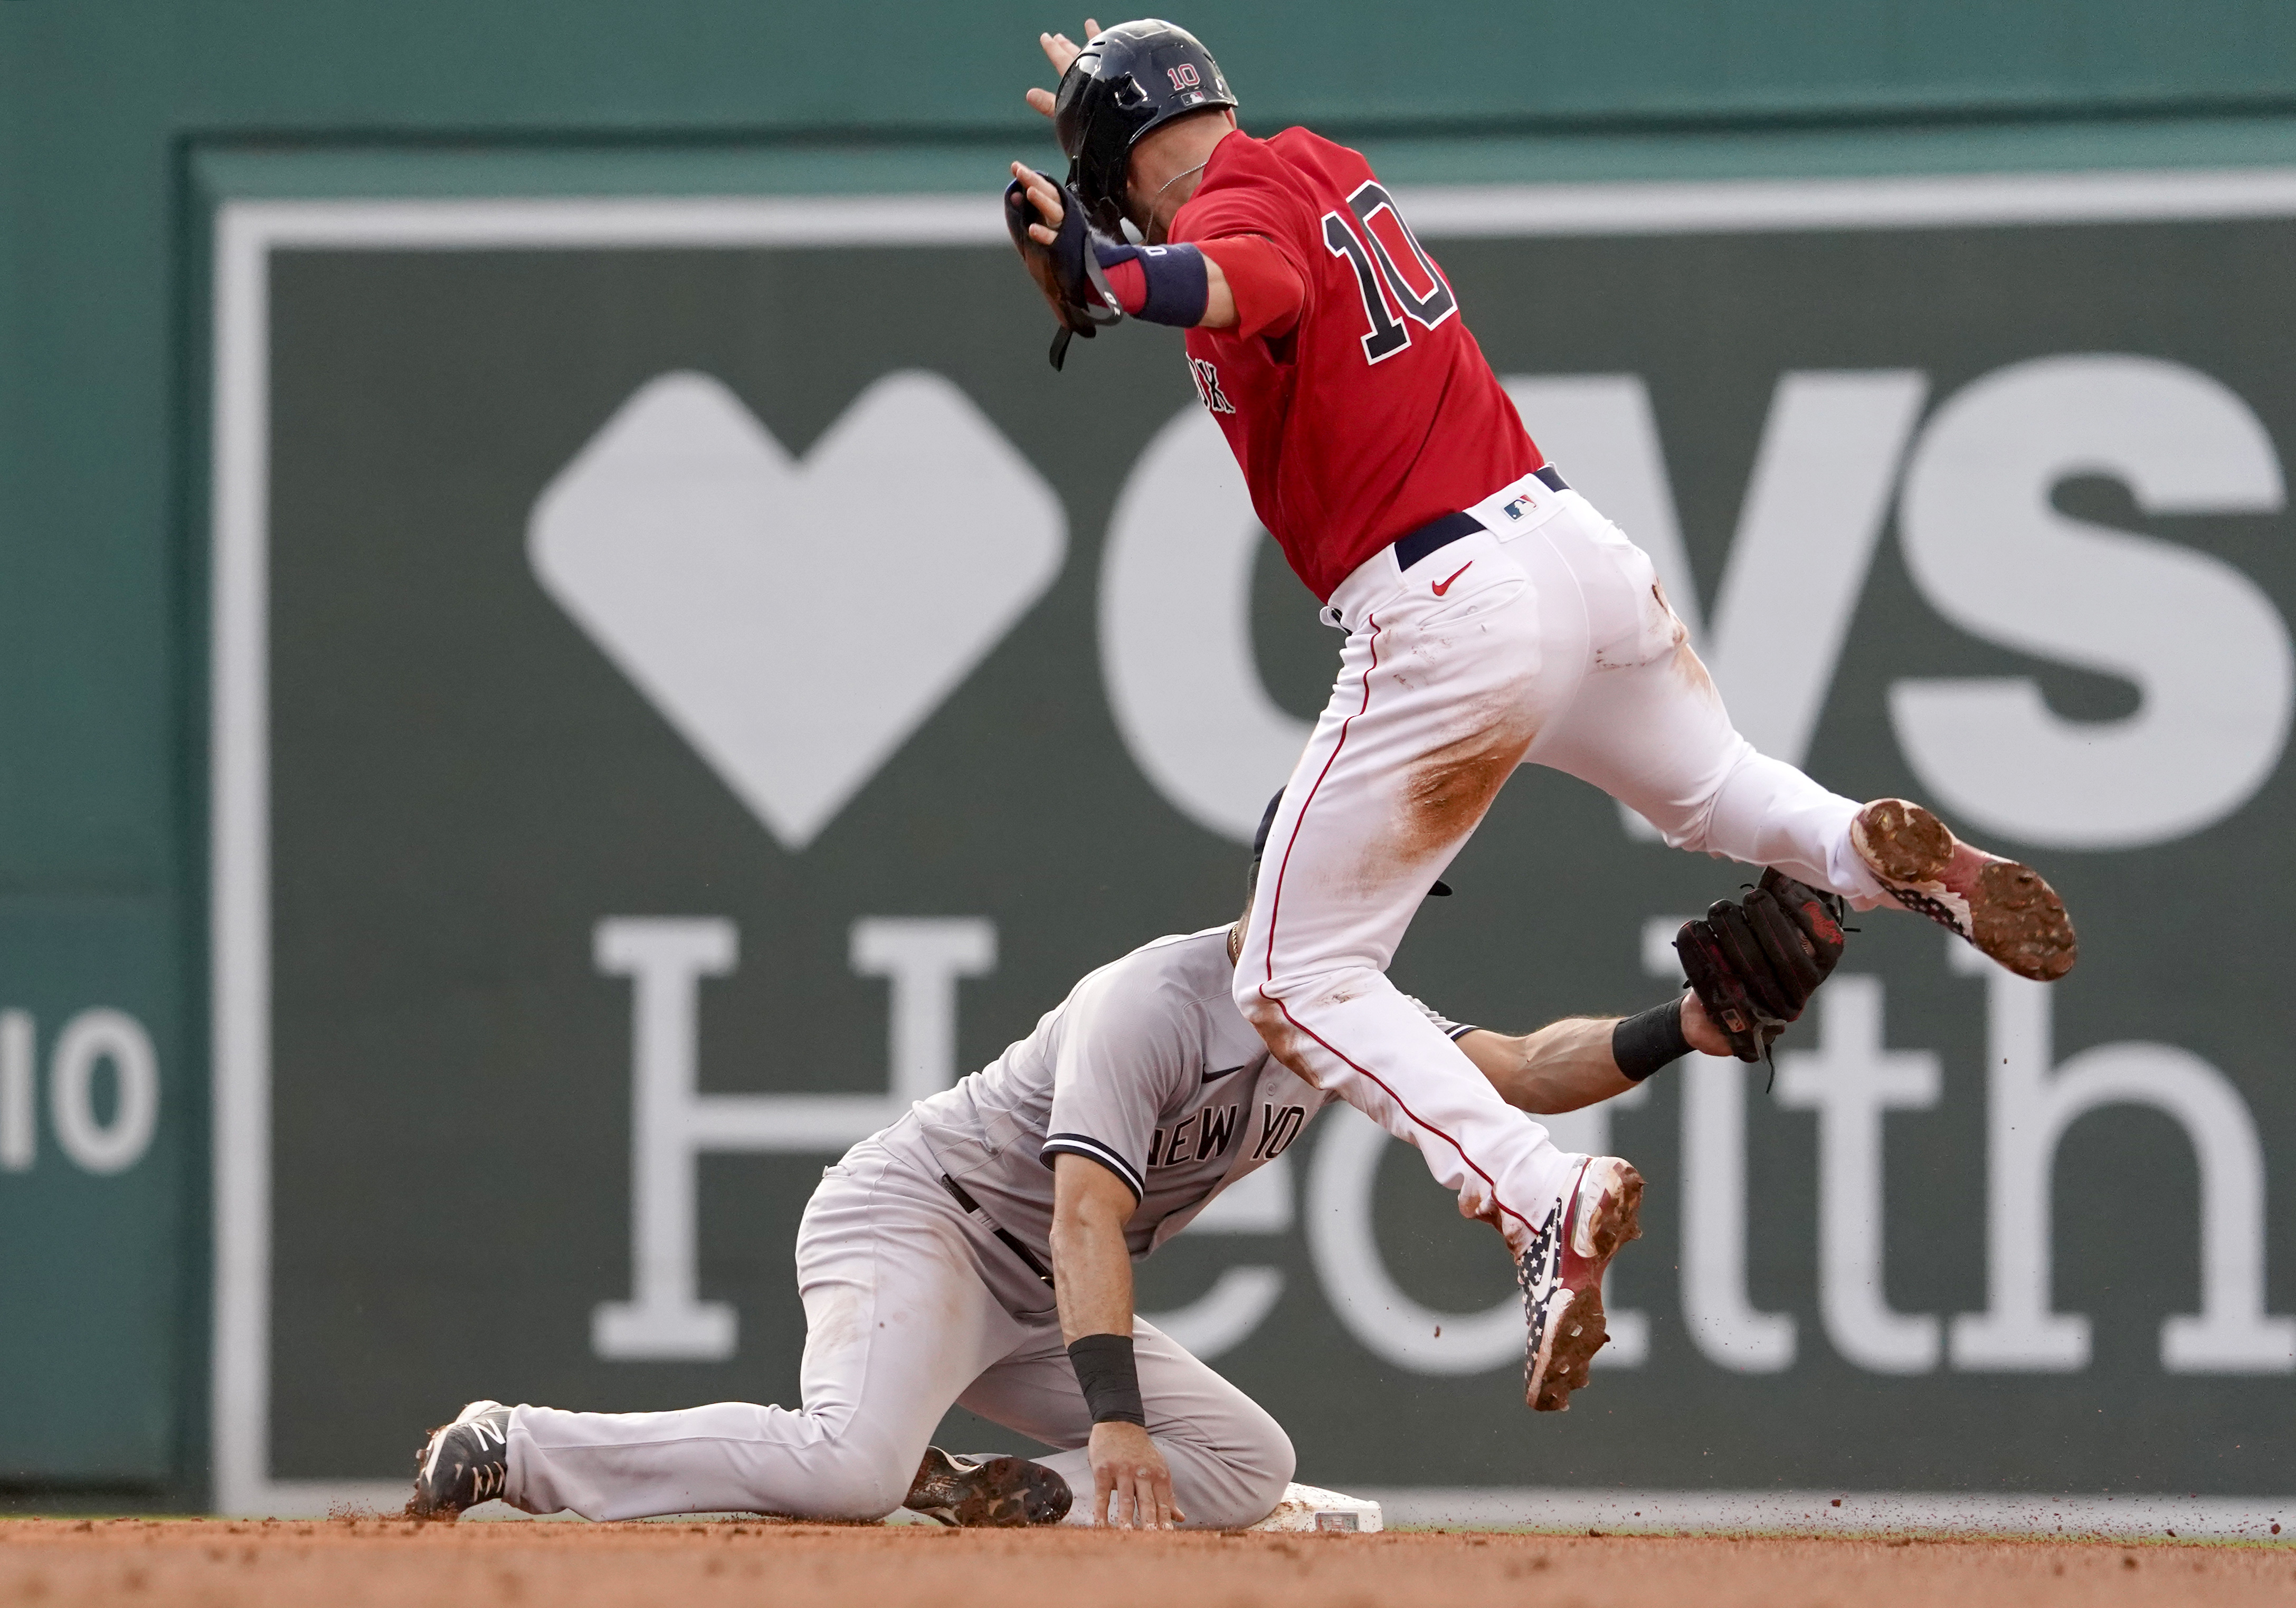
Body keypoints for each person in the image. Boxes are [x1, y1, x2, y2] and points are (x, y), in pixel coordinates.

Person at [1004, 18, 2077, 1413]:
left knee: (1289, 977)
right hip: (1570, 548)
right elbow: (1227, 279)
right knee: (1714, 790)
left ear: (1114, 171)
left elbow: (1231, 282)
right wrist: (1104, 274)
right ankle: (1878, 863)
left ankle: (1535, 1195)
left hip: (1445, 595)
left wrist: (1096, 264)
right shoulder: (1316, 158)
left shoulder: (1229, 209)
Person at [410, 826, 1843, 1531]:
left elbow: (1522, 1071)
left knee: (1249, 1469)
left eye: (1395, 898)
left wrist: (1687, 1031)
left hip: (1041, 1295)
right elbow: (1090, 1209)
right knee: (847, 1469)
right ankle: (518, 1444)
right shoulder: (1150, 1002)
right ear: (1283, 885)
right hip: (923, 1228)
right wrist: (1111, 1426)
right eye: (1353, 889)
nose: (1381, 917)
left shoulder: (1349, 1014)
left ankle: (978, 1499)